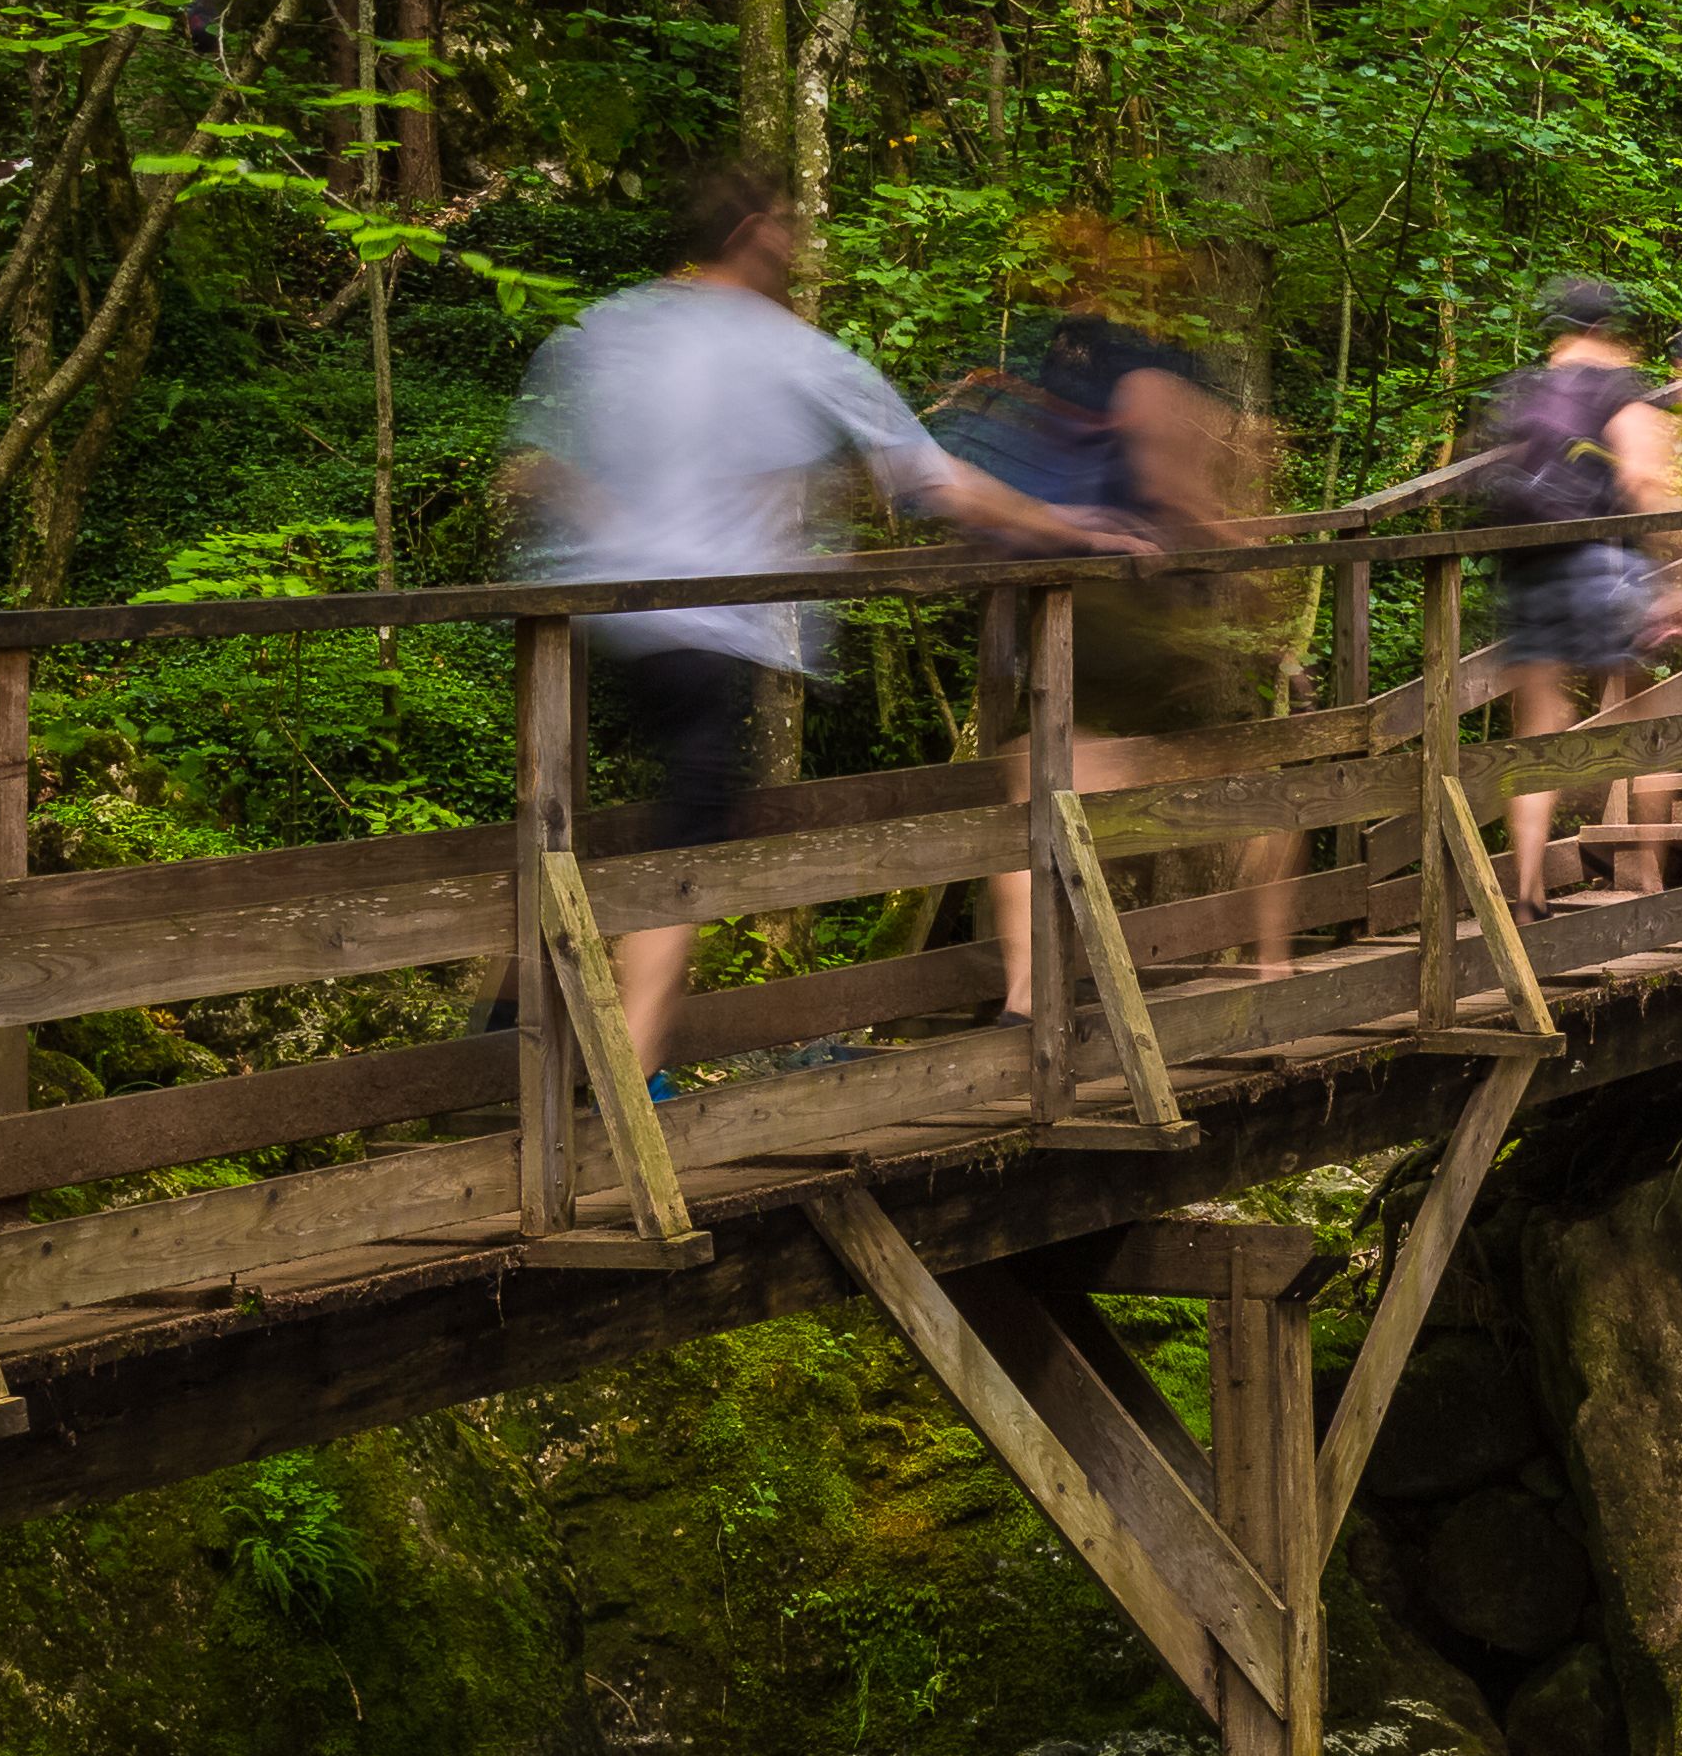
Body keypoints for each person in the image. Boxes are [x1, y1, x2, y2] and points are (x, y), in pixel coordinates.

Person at [504, 160, 1145, 1082]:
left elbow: (536, 467)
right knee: (684, 839)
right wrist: (1070, 525)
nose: (799, 245)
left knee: (570, 825)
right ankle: (624, 1078)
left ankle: (505, 1027)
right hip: (702, 624)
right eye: (790, 226)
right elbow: (935, 480)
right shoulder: (781, 348)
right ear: (753, 232)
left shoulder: (615, 325)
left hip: (592, 619)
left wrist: (620, 533)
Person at [928, 218, 1296, 1009]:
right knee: (1247, 776)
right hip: (1125, 598)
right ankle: (1270, 964)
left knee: (1040, 772)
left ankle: (1028, 989)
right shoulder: (1150, 371)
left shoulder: (1060, 356)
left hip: (1057, 590)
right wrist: (1251, 557)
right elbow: (1174, 492)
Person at [1468, 279, 1682, 918]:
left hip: (1525, 568)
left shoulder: (1526, 391)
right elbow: (1645, 477)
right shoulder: (1615, 388)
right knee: (1643, 716)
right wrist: (1674, 575)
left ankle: (1526, 891)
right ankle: (1650, 876)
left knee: (1537, 730)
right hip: (1602, 563)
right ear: (1609, 333)